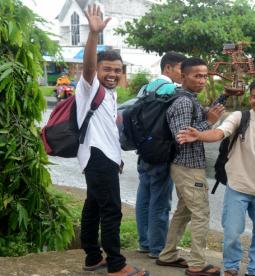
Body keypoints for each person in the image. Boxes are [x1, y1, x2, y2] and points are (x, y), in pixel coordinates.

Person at [176, 79, 255, 276]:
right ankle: (231, 267)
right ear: (249, 98)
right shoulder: (239, 117)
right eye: (254, 97)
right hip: (237, 187)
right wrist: (200, 135)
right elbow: (220, 132)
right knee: (232, 234)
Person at [76, 4, 148, 276]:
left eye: (118, 70)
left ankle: (93, 257)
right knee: (112, 211)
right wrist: (94, 35)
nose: (113, 74)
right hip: (96, 156)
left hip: (103, 157)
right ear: (98, 69)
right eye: (107, 69)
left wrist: (117, 157)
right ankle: (116, 264)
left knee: (93, 205)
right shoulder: (89, 86)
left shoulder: (110, 94)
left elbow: (108, 128)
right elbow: (88, 67)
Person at [156, 58, 239, 276]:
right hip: (187, 166)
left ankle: (168, 255)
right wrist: (209, 123)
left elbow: (199, 118)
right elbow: (182, 136)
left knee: (183, 212)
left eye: (204, 76)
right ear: (183, 77)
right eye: (197, 76)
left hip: (187, 166)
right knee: (201, 213)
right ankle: (197, 264)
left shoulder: (188, 98)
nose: (202, 80)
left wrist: (224, 98)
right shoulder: (183, 102)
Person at [135, 52, 187, 259]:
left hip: (144, 150)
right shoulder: (173, 90)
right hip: (162, 152)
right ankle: (157, 248)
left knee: (144, 198)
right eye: (180, 69)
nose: (183, 74)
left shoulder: (144, 88)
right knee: (160, 202)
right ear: (168, 69)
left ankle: (145, 243)